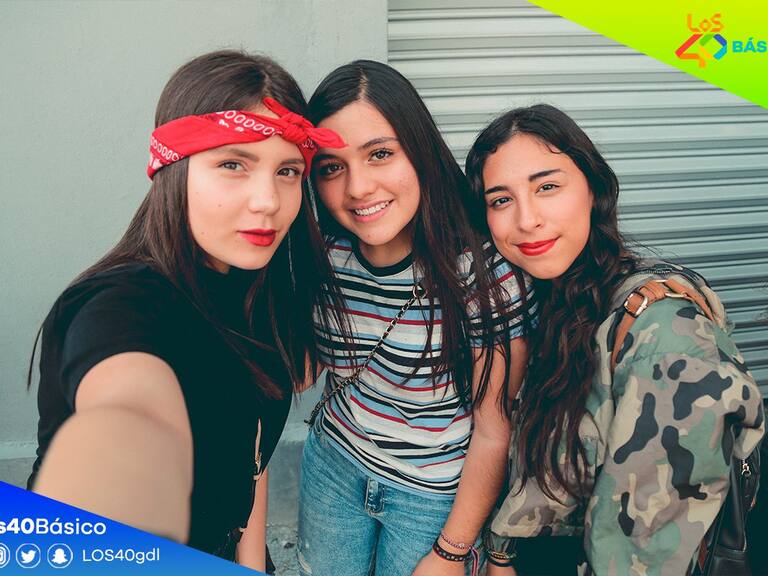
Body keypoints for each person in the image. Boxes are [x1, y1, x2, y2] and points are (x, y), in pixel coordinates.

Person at [27, 50, 346, 571]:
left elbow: (252, 456)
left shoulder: (254, 286)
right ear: (173, 168)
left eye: (288, 171)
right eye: (233, 164)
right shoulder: (118, 303)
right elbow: (129, 408)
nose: (268, 200)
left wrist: (251, 562)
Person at [464, 104, 765, 575]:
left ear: (594, 189)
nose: (526, 219)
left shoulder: (665, 334)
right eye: (501, 200)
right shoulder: (547, 300)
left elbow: (644, 555)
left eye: (547, 187)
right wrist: (501, 554)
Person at [296, 60, 532, 576]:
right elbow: (305, 370)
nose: (358, 187)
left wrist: (452, 551)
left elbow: (495, 432)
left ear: (419, 150)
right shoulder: (326, 254)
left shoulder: (482, 275)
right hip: (333, 464)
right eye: (331, 167)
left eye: (380, 154)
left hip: (433, 497)